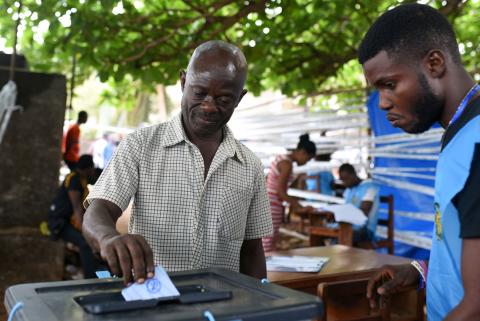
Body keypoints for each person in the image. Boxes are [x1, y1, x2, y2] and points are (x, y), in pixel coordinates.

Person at [82, 41, 273, 285]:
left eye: (224, 99)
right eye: (199, 93)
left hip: (222, 306)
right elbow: (99, 209)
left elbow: (251, 249)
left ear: (240, 98)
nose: (209, 106)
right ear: (183, 82)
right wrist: (107, 237)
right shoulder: (140, 145)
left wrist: (259, 303)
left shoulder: (250, 166)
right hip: (154, 300)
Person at [359, 4, 480, 320]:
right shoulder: (460, 133)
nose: (383, 103)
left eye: (389, 84)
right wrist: (421, 270)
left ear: (435, 63)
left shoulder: (477, 142)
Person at [47, 155, 100, 279]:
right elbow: (77, 208)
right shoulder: (74, 180)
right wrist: (84, 231)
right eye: (92, 169)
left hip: (68, 221)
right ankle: (90, 278)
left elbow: (96, 177)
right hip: (59, 223)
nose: (93, 172)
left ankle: (95, 271)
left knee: (92, 240)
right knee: (85, 243)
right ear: (88, 169)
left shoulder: (82, 178)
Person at [263, 133, 316, 252]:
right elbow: (281, 192)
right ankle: (265, 268)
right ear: (302, 152)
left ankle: (266, 267)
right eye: (308, 159)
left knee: (269, 238)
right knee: (268, 241)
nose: (306, 162)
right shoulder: (287, 164)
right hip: (272, 203)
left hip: (269, 201)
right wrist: (300, 206)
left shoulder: (281, 158)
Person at [338, 163, 379, 243]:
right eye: (342, 180)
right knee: (324, 232)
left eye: (346, 179)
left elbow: (363, 212)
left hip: (366, 229)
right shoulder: (349, 190)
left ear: (353, 174)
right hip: (349, 226)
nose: (344, 183)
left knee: (341, 236)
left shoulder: (369, 187)